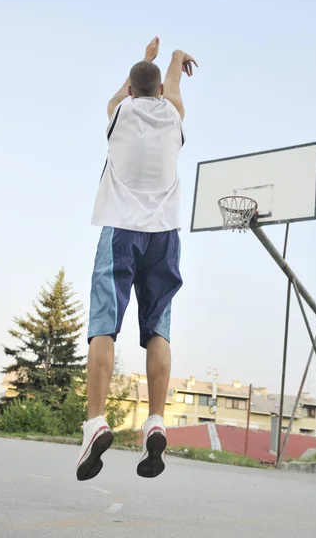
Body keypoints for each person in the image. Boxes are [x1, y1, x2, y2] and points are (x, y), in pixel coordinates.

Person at [76, 37, 197, 481]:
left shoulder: (121, 113)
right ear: (161, 93)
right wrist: (175, 59)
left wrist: (146, 59)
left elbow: (119, 94)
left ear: (131, 87)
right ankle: (156, 423)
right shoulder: (173, 117)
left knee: (104, 325)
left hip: (121, 232)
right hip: (164, 237)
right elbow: (172, 90)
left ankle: (95, 423)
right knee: (158, 329)